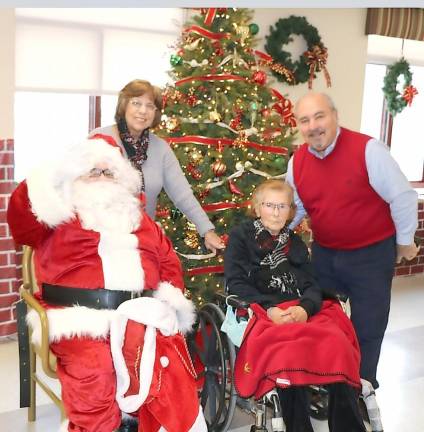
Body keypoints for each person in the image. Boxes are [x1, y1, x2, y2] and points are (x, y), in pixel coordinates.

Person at [7, 137, 207, 432]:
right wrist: (47, 176)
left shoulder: (139, 220)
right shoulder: (58, 215)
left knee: (163, 370)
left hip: (141, 315)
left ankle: (138, 424)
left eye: (108, 172)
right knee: (95, 372)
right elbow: (21, 220)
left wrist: (170, 303)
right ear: (75, 176)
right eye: (92, 171)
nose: (101, 179)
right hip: (80, 318)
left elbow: (167, 262)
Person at [286, 92, 419, 390]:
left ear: (335, 116)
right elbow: (295, 208)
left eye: (319, 116)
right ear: (299, 126)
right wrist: (273, 235)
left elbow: (403, 197)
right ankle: (327, 379)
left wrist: (404, 242)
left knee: (368, 326)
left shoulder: (368, 149)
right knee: (321, 318)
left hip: (370, 255)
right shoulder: (298, 162)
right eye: (305, 120)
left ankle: (362, 388)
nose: (313, 126)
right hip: (324, 254)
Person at [224, 179, 366, 432]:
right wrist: (269, 308)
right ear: (257, 208)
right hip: (265, 310)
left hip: (302, 309)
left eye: (283, 206)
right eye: (270, 205)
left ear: (290, 211)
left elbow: (313, 282)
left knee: (337, 342)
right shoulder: (241, 237)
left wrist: (306, 308)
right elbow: (236, 283)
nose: (277, 212)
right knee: (288, 353)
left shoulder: (295, 241)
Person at [90, 79, 224, 253]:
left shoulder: (161, 149)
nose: (143, 111)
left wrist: (207, 230)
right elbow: (78, 187)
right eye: (136, 103)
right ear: (124, 106)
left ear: (156, 113)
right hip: (99, 239)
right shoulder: (99, 139)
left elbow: (182, 194)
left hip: (142, 241)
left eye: (150, 106)